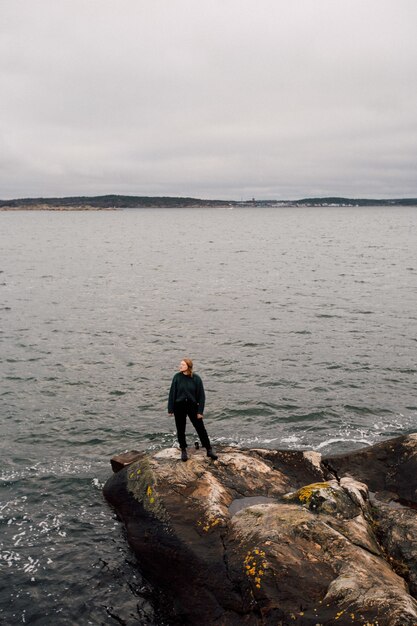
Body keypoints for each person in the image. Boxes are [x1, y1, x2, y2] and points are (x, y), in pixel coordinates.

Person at [168, 358, 218, 462]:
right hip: (179, 406)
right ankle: (183, 450)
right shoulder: (177, 377)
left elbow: (201, 396)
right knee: (180, 429)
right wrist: (170, 408)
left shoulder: (196, 378)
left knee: (200, 428)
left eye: (182, 364)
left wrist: (200, 411)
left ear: (188, 366)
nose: (180, 366)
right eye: (180, 364)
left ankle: (209, 449)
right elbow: (172, 393)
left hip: (192, 406)